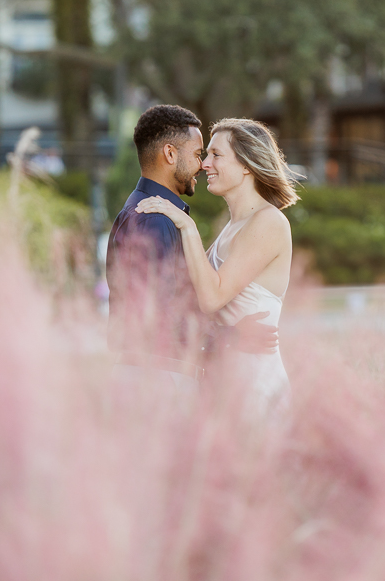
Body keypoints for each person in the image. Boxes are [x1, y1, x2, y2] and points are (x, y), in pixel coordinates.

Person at [106, 105, 278, 400]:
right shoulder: (155, 219)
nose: (202, 165)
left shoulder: (147, 211)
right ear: (170, 154)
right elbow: (160, 315)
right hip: (157, 380)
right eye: (199, 154)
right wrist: (234, 337)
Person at [135, 117, 297, 414]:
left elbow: (212, 298)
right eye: (205, 155)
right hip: (219, 382)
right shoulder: (233, 226)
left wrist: (186, 225)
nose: (204, 164)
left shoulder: (269, 222)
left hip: (253, 386)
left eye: (216, 155)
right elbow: (192, 297)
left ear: (247, 165)